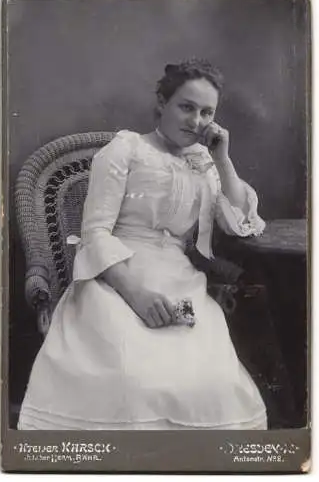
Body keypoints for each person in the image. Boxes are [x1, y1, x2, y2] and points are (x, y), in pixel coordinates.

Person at [18, 58, 267, 430]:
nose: (196, 121)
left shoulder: (203, 163)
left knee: (210, 385)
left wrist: (222, 158)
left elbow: (240, 225)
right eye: (186, 107)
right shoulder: (126, 149)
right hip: (116, 279)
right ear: (162, 103)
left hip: (182, 282)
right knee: (133, 381)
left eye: (206, 112)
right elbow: (96, 233)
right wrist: (137, 295)